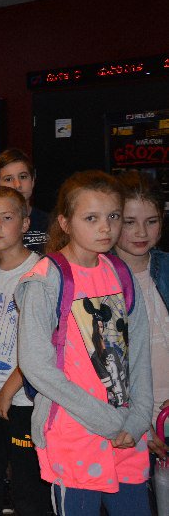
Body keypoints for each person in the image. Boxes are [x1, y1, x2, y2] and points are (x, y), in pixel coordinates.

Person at [17, 170, 153, 514]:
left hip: (127, 435)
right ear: (65, 222)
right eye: (91, 218)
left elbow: (139, 352)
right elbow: (36, 366)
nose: (105, 228)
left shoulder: (120, 273)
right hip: (75, 437)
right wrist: (109, 421)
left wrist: (139, 417)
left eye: (113, 216)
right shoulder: (45, 281)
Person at [0, 186, 49, 516]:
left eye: (6, 218)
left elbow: (43, 346)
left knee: (28, 481)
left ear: (26, 223)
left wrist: (8, 391)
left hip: (22, 398)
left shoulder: (40, 273)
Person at [113, 171, 169, 468]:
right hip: (127, 423)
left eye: (151, 221)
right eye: (129, 222)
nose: (141, 232)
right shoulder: (99, 279)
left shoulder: (166, 268)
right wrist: (138, 421)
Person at [0, 148, 49, 253]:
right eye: (8, 179)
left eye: (23, 177)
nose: (17, 185)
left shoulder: (50, 223)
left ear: (32, 180)